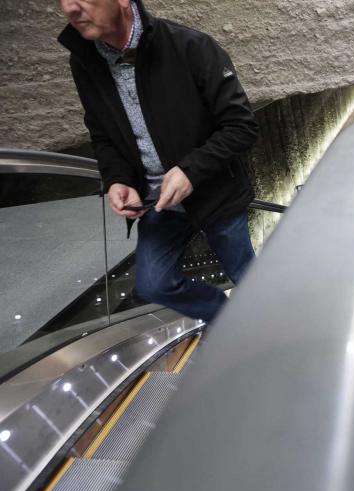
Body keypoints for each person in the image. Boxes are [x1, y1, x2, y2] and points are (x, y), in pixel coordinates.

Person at [58, 0, 259, 323]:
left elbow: (241, 126)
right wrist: (117, 179)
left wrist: (190, 171)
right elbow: (102, 134)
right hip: (157, 202)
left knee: (248, 278)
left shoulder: (190, 46)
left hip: (215, 195)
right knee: (154, 284)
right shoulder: (84, 61)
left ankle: (275, 335)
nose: (70, 8)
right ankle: (229, 321)